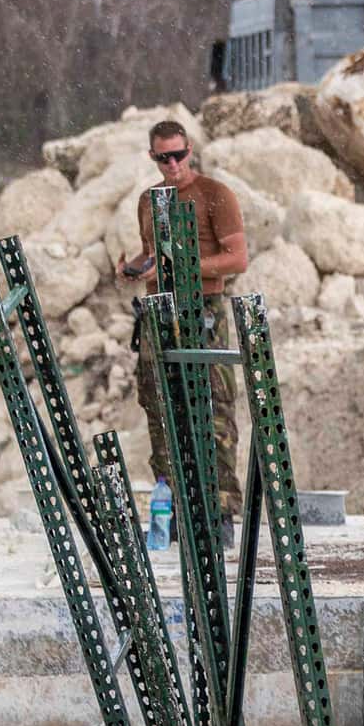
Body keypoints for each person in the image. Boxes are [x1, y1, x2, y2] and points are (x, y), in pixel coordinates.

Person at [123, 119, 245, 544]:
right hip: (161, 313)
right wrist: (137, 268)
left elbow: (236, 258)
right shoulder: (149, 200)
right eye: (163, 157)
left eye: (178, 154)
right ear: (153, 157)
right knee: (162, 410)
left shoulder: (215, 195)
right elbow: (151, 254)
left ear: (190, 150)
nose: (172, 164)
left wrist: (183, 269)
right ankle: (172, 506)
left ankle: (221, 511)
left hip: (204, 310)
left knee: (214, 410)